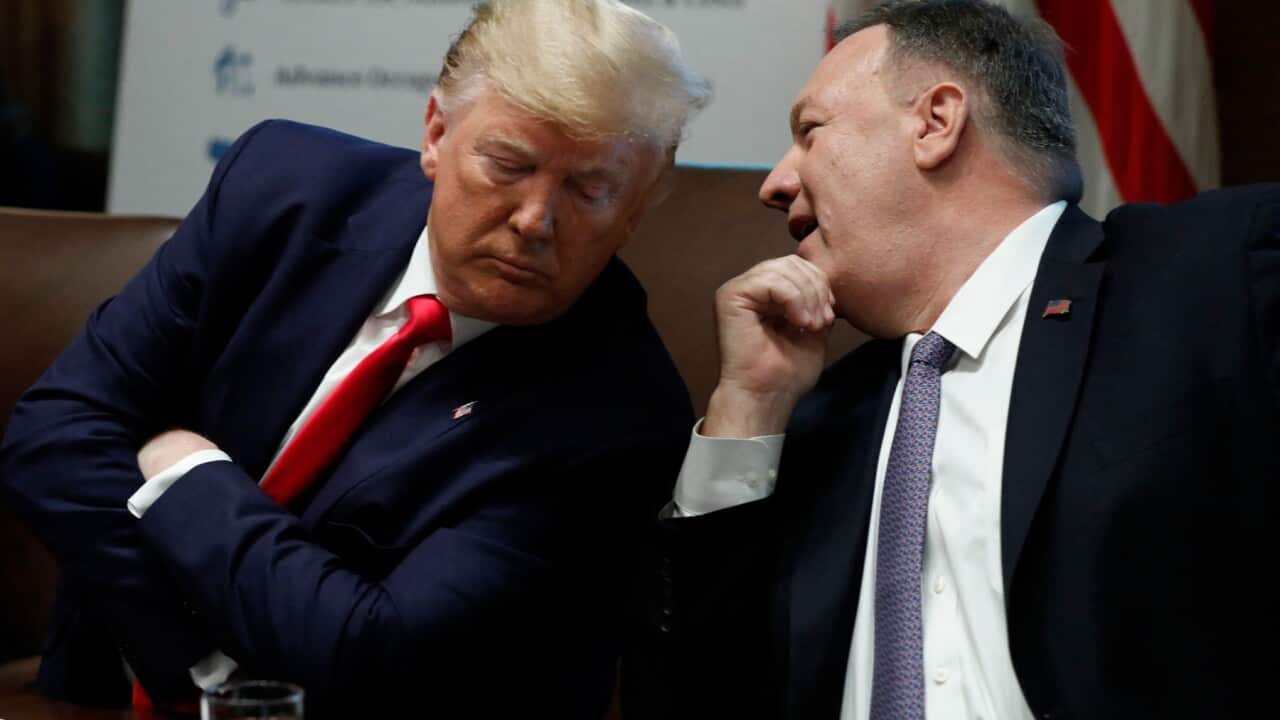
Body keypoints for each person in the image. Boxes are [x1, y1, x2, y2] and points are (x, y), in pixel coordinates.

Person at [0, 0, 709, 716]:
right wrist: (204, 666)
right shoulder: (285, 187)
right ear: (436, 132)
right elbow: (52, 431)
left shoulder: (621, 417)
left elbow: (371, 652)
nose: (533, 220)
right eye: (507, 164)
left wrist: (185, 471)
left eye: (589, 190)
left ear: (635, 211)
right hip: (106, 686)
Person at [628, 2, 1274, 719]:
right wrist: (747, 412)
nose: (775, 183)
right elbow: (687, 693)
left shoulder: (1211, 276)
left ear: (936, 122)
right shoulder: (816, 421)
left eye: (810, 132)